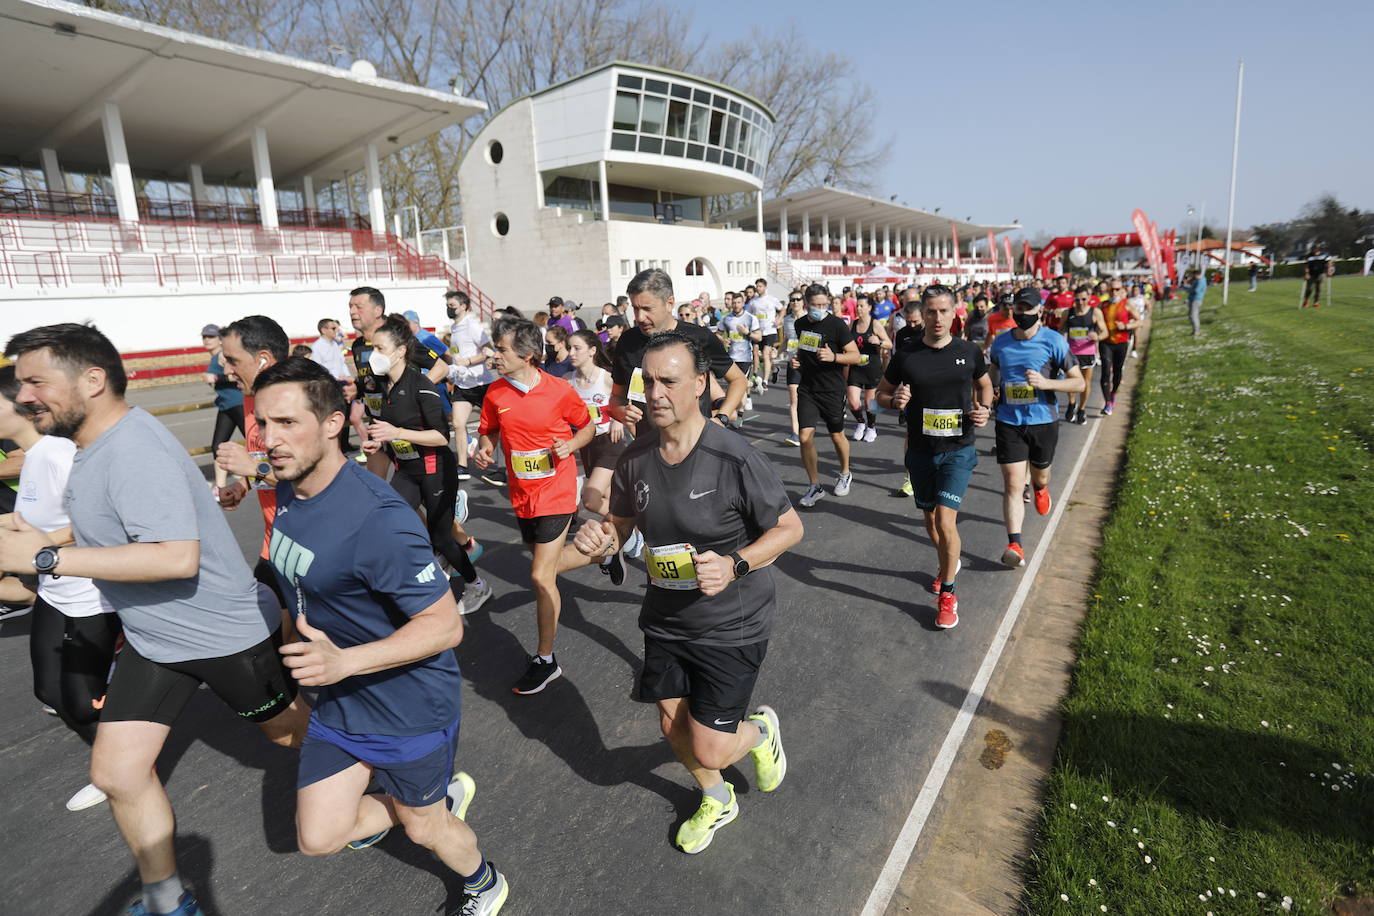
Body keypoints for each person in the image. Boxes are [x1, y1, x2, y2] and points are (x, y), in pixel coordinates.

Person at [0, 323, 309, 916]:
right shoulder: (91, 446)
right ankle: (169, 901)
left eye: (36, 381)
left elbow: (175, 556)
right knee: (118, 774)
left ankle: (408, 787)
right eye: (19, 384)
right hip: (154, 640)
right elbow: (111, 531)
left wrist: (45, 557)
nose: (24, 397)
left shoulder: (132, 450)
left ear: (92, 380)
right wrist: (43, 539)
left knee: (293, 736)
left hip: (223, 635)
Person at [253, 358, 509, 916]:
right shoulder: (294, 488)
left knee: (426, 830)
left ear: (331, 423)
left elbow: (446, 627)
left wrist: (343, 663)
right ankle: (424, 798)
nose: (271, 440)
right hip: (339, 705)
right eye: (263, 423)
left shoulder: (378, 519)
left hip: (407, 712)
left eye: (287, 423)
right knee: (317, 837)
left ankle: (483, 878)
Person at [571, 331, 803, 854]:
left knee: (713, 745)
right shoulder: (634, 457)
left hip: (732, 621)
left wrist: (736, 563)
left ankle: (760, 733)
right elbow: (624, 527)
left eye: (669, 382)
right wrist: (602, 537)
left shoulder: (734, 456)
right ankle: (718, 798)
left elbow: (790, 530)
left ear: (700, 384)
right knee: (672, 725)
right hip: (666, 616)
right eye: (648, 382)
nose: (655, 393)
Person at [0, 365, 119, 811]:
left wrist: (40, 547)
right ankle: (118, 765)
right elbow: (26, 519)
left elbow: (99, 518)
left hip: (92, 596)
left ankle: (123, 772)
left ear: (20, 405)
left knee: (83, 705)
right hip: (55, 592)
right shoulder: (31, 457)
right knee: (50, 693)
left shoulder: (58, 454)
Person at [473, 318, 594, 695]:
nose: (495, 355)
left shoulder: (559, 390)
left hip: (557, 490)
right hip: (522, 494)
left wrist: (571, 446)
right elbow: (489, 429)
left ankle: (545, 660)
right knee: (548, 566)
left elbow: (586, 426)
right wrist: (486, 446)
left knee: (542, 577)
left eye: (502, 349)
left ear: (527, 355)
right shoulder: (494, 393)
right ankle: (605, 550)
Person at [876, 286, 992, 629]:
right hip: (921, 452)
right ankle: (947, 563)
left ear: (957, 312)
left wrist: (984, 408)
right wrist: (893, 400)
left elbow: (984, 385)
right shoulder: (907, 355)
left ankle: (949, 594)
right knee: (930, 522)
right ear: (921, 314)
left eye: (944, 311)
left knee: (945, 520)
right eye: (931, 311)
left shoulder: (969, 351)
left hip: (958, 449)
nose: (937, 318)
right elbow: (880, 395)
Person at [362, 315, 492, 613]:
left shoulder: (421, 385)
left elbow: (439, 436)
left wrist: (395, 433)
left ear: (400, 351)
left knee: (442, 537)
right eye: (373, 348)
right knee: (388, 521)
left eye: (380, 348)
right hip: (407, 471)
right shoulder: (385, 388)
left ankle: (476, 586)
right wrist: (380, 442)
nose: (374, 355)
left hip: (436, 471)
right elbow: (390, 431)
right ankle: (413, 582)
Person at [987, 289, 1085, 568]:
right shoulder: (1001, 343)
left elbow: (1077, 382)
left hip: (1043, 420)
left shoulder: (1054, 341)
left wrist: (1048, 384)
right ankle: (1015, 543)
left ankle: (1041, 488)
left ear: (1039, 311)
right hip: (1008, 420)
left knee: (1040, 476)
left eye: (1028, 309)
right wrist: (991, 388)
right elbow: (994, 372)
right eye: (1018, 308)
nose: (1022, 314)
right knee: (1013, 484)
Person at [607, 268, 747, 435]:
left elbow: (738, 380)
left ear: (670, 303)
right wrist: (622, 412)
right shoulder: (627, 342)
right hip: (649, 449)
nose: (640, 317)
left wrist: (722, 418)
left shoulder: (699, 337)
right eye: (635, 309)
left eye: (647, 308)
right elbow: (616, 398)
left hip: (696, 446)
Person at [215, 315, 291, 611]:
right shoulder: (250, 399)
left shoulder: (299, 403)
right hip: (272, 546)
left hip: (311, 546)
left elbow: (316, 480)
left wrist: (253, 469)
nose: (227, 370)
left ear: (263, 360)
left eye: (233, 361)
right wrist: (242, 485)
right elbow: (265, 460)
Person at [349, 287, 444, 479]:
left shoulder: (398, 339)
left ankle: (448, 500)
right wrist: (355, 388)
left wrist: (412, 394)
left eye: (358, 307)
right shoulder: (357, 345)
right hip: (378, 427)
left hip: (407, 427)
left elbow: (441, 367)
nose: (352, 312)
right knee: (380, 490)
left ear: (378, 311)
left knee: (417, 491)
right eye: (350, 307)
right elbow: (370, 381)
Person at [790, 284, 861, 507]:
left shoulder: (837, 325)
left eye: (824, 305)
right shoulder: (800, 323)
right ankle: (814, 485)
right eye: (816, 305)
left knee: (836, 435)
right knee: (804, 437)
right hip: (808, 388)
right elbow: (804, 348)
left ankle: (845, 472)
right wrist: (797, 360)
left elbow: (855, 356)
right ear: (806, 303)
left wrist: (835, 357)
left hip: (832, 389)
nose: (820, 309)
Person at [444, 290, 496, 482]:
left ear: (464, 306)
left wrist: (467, 362)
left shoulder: (472, 325)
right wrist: (453, 367)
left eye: (452, 306)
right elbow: (457, 352)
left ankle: (501, 463)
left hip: (481, 383)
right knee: (458, 424)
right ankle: (462, 466)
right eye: (448, 306)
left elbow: (487, 351)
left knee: (496, 426)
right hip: (462, 384)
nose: (449, 309)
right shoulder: (454, 327)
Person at [847, 296, 891, 443]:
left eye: (862, 306)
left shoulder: (875, 324)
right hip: (856, 367)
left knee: (869, 403)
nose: (858, 309)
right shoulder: (852, 324)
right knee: (853, 401)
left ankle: (871, 427)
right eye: (857, 306)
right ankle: (860, 423)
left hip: (872, 367)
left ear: (869, 307)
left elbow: (889, 344)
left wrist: (879, 341)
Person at [1061, 288, 1107, 424]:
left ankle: (1081, 409)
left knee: (1085, 382)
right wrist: (1063, 339)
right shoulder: (1067, 313)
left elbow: (1105, 332)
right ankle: (1071, 403)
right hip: (1071, 352)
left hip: (1087, 353)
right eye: (1077, 300)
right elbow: (1061, 329)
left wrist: (1097, 336)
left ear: (1089, 298)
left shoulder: (1095, 313)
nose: (1080, 302)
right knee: (1071, 381)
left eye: (1083, 299)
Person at [201, 324, 244, 457]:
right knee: (218, 447)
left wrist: (216, 377)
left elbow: (239, 374)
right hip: (226, 404)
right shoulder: (214, 357)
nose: (207, 339)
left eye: (211, 337)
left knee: (255, 441)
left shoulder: (222, 355)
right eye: (204, 337)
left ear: (220, 339)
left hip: (238, 403)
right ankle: (221, 479)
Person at [1097, 284, 1139, 416]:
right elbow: (1093, 319)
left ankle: (1113, 393)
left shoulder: (1127, 304)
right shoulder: (1102, 305)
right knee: (1105, 372)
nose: (1114, 291)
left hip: (1121, 343)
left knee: (1117, 372)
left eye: (1117, 289)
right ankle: (1108, 403)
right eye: (1112, 289)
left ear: (1122, 291)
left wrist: (1126, 326)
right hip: (1105, 343)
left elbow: (1139, 321)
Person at [720, 292, 762, 389]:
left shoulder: (751, 318)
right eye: (734, 303)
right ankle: (753, 385)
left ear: (743, 303)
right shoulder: (726, 319)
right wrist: (723, 340)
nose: (736, 305)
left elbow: (759, 337)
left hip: (745, 357)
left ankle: (745, 401)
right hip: (731, 356)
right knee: (734, 384)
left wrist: (747, 333)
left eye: (739, 302)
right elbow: (718, 334)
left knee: (741, 385)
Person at [746, 278, 782, 389]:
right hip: (757, 332)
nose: (758, 288)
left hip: (770, 330)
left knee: (766, 354)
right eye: (757, 286)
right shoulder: (753, 301)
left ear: (765, 287)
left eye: (760, 286)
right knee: (755, 352)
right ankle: (760, 374)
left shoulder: (772, 299)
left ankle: (765, 381)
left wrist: (779, 318)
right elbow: (749, 315)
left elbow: (782, 309)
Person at [780, 292, 805, 447]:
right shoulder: (787, 320)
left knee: (809, 398)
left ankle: (807, 426)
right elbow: (787, 341)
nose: (795, 302)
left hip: (809, 365)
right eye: (792, 300)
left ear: (803, 302)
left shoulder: (810, 318)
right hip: (792, 363)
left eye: (798, 299)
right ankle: (795, 433)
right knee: (794, 399)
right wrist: (778, 352)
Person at [1183, 267, 1207, 334]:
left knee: (1193, 316)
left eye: (1193, 275)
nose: (1193, 277)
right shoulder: (1202, 279)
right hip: (1195, 299)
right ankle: (1195, 330)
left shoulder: (1200, 281)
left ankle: (1196, 331)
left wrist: (1187, 289)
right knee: (1192, 316)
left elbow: (1196, 290)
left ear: (1196, 275)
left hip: (1195, 300)